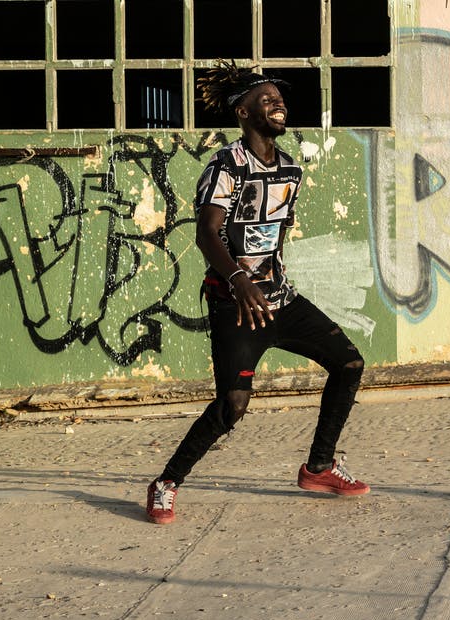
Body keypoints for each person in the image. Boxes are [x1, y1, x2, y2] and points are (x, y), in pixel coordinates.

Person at [146, 60, 369, 524]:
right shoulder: (225, 164)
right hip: (235, 303)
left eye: (280, 100)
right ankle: (166, 483)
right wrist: (238, 280)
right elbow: (208, 232)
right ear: (243, 113)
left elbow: (276, 232)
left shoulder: (289, 168)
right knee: (233, 405)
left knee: (348, 364)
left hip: (278, 298)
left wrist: (271, 276)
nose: (278, 106)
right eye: (267, 101)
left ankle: (320, 467)